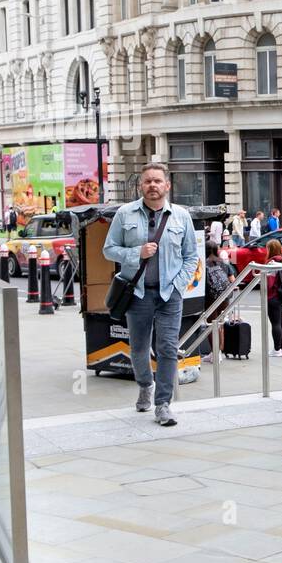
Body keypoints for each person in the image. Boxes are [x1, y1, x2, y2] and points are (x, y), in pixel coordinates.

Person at [102, 162, 199, 427]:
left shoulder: (181, 216)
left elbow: (191, 256)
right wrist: (136, 253)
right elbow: (109, 249)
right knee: (139, 348)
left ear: (167, 185)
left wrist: (179, 284)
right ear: (140, 185)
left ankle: (163, 404)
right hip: (137, 293)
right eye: (148, 181)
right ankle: (146, 384)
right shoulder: (125, 213)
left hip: (170, 294)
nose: (152, 185)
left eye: (158, 181)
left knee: (167, 348)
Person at [202, 241, 233, 363]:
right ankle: (217, 352)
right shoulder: (223, 263)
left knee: (211, 326)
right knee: (219, 324)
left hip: (210, 298)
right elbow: (232, 279)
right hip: (224, 298)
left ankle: (215, 353)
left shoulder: (203, 263)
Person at [264, 239, 282, 357]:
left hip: (273, 296)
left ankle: (276, 349)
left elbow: (269, 283)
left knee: (275, 323)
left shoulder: (271, 263)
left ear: (270, 249)